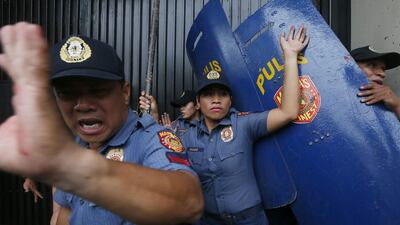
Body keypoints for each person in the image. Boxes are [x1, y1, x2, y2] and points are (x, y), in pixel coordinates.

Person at [0, 22, 203, 225]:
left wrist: (72, 165)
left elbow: (188, 201)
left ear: (125, 93)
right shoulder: (77, 144)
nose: (83, 105)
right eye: (67, 93)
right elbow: (64, 213)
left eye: (98, 91)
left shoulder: (151, 140)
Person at [180, 25, 308, 224]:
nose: (216, 100)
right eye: (208, 95)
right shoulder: (187, 135)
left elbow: (289, 112)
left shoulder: (244, 125)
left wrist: (290, 56)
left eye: (222, 94)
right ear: (197, 103)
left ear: (230, 100)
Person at [351, 45, 400, 118]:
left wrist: (397, 106)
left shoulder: (388, 104)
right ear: (351, 68)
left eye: (383, 69)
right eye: (372, 65)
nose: (382, 74)